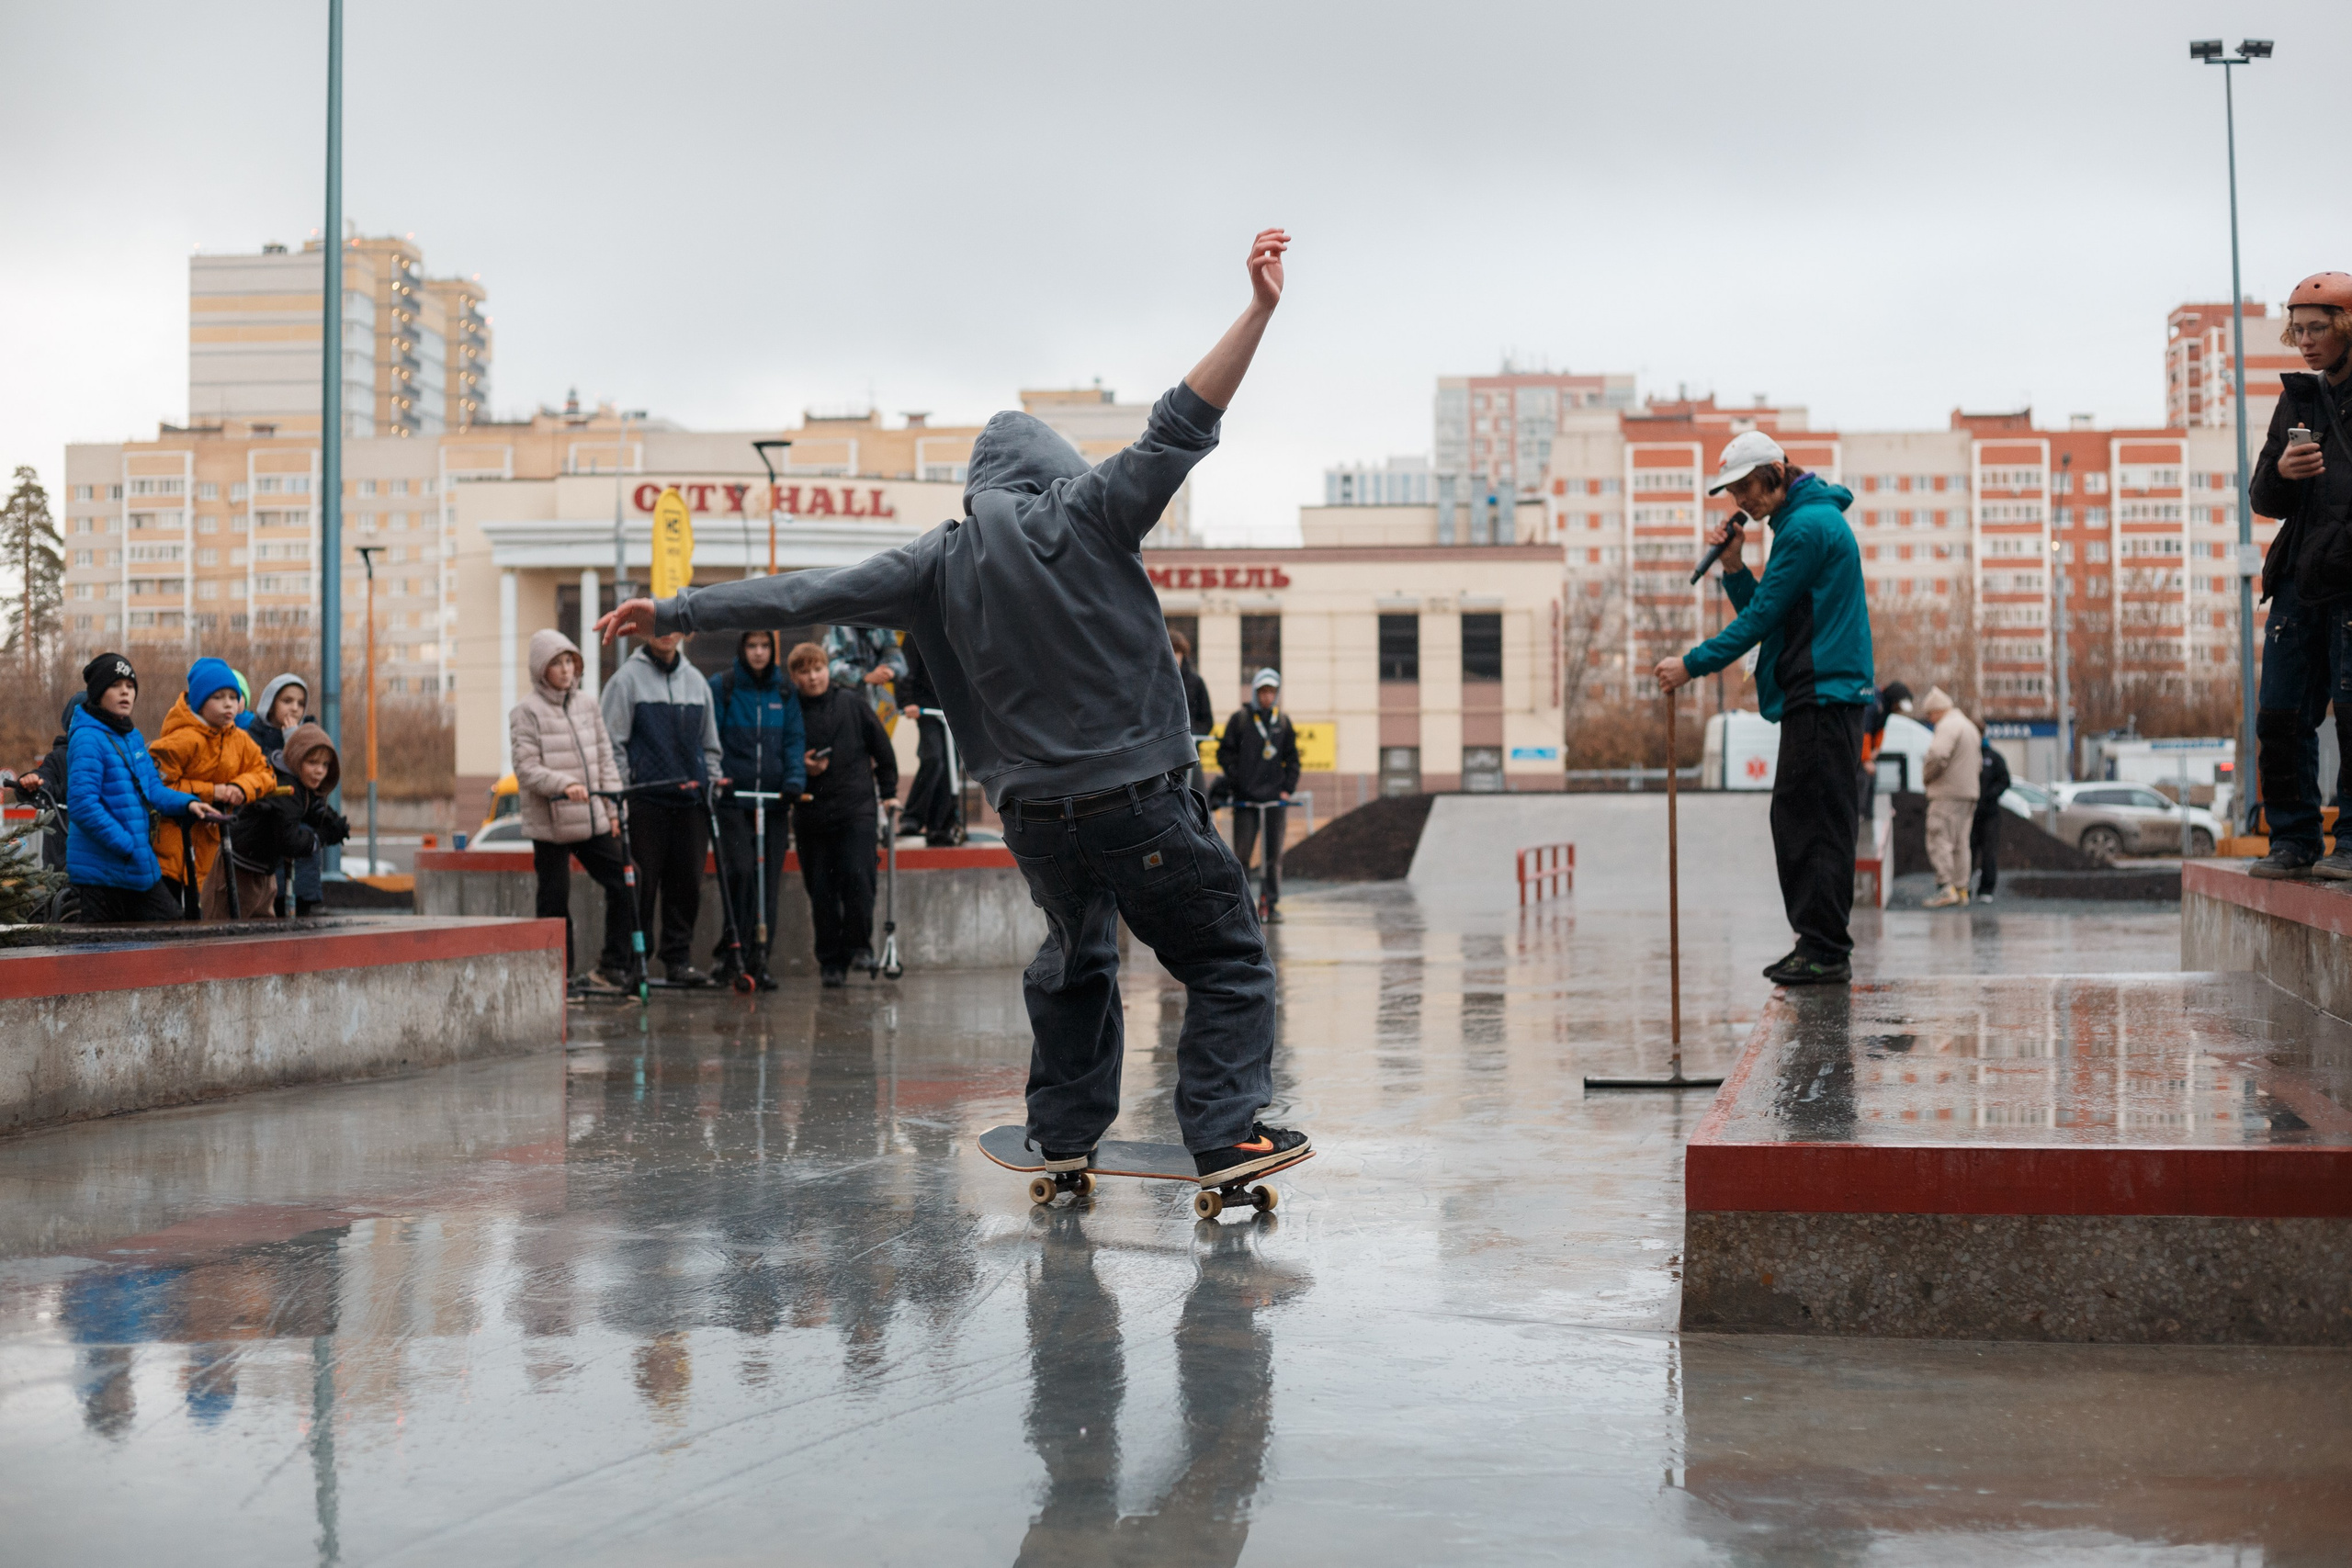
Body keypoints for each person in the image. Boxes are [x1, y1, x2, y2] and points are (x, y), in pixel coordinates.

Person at [597, 228, 1309, 1187]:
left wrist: (677, 609)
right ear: (1054, 470)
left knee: (1076, 958)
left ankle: (1060, 1133)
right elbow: (1182, 421)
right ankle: (1225, 1134)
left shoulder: (935, 560)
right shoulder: (1091, 509)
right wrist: (1258, 310)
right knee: (1225, 957)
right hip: (1139, 796)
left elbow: (804, 596)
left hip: (1035, 817)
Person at [1657, 429, 1873, 987]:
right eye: (1732, 493)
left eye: (1746, 487)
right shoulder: (1800, 524)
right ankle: (1816, 942)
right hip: (1817, 693)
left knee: (1815, 823)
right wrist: (1733, 567)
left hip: (1826, 693)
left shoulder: (1805, 529)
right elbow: (1772, 616)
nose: (1741, 503)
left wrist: (1692, 664)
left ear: (1775, 472)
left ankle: (1825, 948)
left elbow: (1756, 623)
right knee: (1799, 818)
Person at [2249, 271, 2352, 880]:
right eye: (2300, 330)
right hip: (2297, 578)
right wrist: (2286, 468)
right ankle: (2292, 840)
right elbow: (2265, 496)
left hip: (2348, 581)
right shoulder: (2300, 398)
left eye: (2318, 329)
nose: (2306, 341)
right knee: (2281, 713)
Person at [600, 626, 722, 985]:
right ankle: (629, 962)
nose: (666, 634)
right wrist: (622, 793)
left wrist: (710, 786)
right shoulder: (626, 680)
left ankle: (678, 961)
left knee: (686, 886)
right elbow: (612, 743)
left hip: (690, 802)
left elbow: (710, 744)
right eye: (659, 627)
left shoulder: (697, 682)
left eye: (673, 627)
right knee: (641, 887)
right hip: (645, 800)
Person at [512, 629, 635, 987]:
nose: (566, 670)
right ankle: (557, 978)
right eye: (557, 663)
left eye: (570, 662)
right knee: (554, 902)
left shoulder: (588, 705)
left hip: (591, 817)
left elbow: (605, 760)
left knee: (629, 880)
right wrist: (564, 785)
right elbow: (526, 768)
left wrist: (615, 812)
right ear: (540, 669)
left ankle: (613, 965)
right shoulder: (525, 711)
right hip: (551, 824)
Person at [64, 653, 223, 922]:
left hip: (135, 866)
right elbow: (83, 804)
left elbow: (152, 789)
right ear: (98, 692)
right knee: (103, 957)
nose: (125, 691)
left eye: (130, 685)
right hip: (103, 873)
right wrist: (127, 843)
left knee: (170, 935)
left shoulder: (131, 736)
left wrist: (188, 803)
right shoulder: (88, 738)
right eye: (116, 685)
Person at [786, 641, 896, 987]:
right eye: (804, 671)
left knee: (859, 879)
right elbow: (780, 759)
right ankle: (831, 962)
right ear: (795, 677)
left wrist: (889, 794)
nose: (813, 677)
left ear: (826, 670)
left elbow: (883, 749)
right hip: (811, 813)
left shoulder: (852, 703)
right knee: (821, 891)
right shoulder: (789, 711)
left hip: (856, 810)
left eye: (817, 668)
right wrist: (801, 769)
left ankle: (859, 947)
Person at [709, 629, 806, 988]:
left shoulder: (784, 691)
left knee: (768, 884)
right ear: (742, 648)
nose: (759, 653)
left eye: (765, 646)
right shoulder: (725, 686)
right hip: (735, 799)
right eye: (752, 646)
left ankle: (760, 956)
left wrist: (794, 780)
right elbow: (712, 737)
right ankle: (732, 951)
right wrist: (719, 779)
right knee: (742, 872)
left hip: (775, 802)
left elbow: (795, 739)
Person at [150, 656, 275, 919]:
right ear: (199, 701)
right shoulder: (181, 739)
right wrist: (212, 791)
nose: (229, 703)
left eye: (233, 696)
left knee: (208, 919)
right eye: (219, 697)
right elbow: (158, 785)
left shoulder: (239, 739)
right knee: (173, 921)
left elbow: (264, 772)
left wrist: (240, 787)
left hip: (212, 849)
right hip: (173, 848)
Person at [225, 722, 349, 918]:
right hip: (238, 871)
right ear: (296, 759)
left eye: (325, 765)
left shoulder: (297, 785)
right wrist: (319, 837)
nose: (319, 771)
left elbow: (307, 809)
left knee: (260, 933)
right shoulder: (286, 788)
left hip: (261, 871)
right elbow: (289, 840)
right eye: (312, 762)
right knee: (228, 932)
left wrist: (329, 820)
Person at [1216, 668, 1300, 922]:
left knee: (1273, 857)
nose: (1266, 697)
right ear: (1255, 692)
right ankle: (1242, 906)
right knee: (1242, 855)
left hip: (1275, 799)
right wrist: (1236, 781)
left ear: (1276, 694)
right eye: (1262, 692)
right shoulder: (1240, 720)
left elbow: (1293, 759)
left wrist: (1287, 788)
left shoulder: (1282, 723)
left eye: (1271, 692)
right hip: (1247, 800)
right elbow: (1224, 753)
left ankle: (1270, 904)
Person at [239, 672, 324, 913]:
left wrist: (294, 740)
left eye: (300, 703)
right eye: (287, 701)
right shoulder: (251, 737)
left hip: (299, 838)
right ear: (271, 702)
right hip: (263, 840)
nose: (294, 708)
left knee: (303, 917)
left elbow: (315, 781)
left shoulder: (310, 734)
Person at [1917, 686, 1981, 908]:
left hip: (1947, 793)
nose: (1930, 720)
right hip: (1968, 793)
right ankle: (1961, 889)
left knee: (1939, 838)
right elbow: (1978, 763)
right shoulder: (1968, 726)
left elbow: (1937, 754)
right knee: (1961, 842)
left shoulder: (1947, 725)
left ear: (1936, 711)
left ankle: (1945, 887)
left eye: (1930, 715)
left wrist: (1926, 776)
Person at [896, 634, 961, 846]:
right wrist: (907, 701)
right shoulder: (918, 631)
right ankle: (912, 817)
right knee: (934, 758)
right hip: (927, 707)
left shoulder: (962, 628)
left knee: (952, 768)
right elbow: (906, 668)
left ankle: (939, 826)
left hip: (955, 709)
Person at [825, 624, 906, 715]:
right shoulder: (838, 627)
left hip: (876, 702)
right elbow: (831, 665)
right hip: (844, 701)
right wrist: (864, 676)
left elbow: (898, 660)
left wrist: (888, 671)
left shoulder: (883, 627)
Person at [1171, 628, 1215, 795]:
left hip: (1190, 753)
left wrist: (1190, 735)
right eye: (1171, 650)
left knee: (1196, 796)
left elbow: (1207, 720)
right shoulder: (1156, 683)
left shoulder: (1196, 683)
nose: (1174, 656)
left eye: (1177, 651)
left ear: (1183, 654)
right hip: (1164, 756)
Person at [1971, 733, 2012, 901]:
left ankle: (1986, 889)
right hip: (1970, 812)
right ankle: (1963, 887)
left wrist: (1990, 795)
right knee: (1968, 851)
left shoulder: (1994, 758)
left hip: (1990, 814)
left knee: (1989, 853)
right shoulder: (1968, 756)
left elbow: (2005, 780)